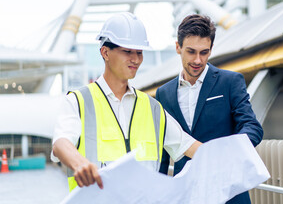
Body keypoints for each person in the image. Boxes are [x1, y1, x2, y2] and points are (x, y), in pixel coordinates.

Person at [51, 12, 201, 192]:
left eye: (139, 52)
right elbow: (61, 143)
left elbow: (191, 147)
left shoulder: (153, 108)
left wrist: (232, 156)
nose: (136, 59)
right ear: (105, 52)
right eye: (127, 51)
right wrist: (80, 164)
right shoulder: (78, 102)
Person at [156, 14, 263, 204]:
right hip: (186, 195)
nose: (198, 60)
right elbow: (162, 149)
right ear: (178, 47)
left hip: (229, 192)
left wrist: (224, 152)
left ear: (211, 50)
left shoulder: (230, 82)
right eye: (191, 51)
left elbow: (252, 127)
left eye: (204, 52)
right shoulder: (163, 93)